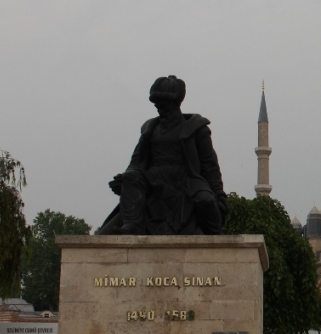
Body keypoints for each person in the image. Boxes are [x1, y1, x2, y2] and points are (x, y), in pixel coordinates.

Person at [97, 75, 229, 235]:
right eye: (157, 105)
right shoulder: (150, 129)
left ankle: (215, 235)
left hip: (187, 179)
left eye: (164, 105)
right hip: (155, 178)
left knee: (205, 201)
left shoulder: (196, 129)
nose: (160, 109)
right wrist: (125, 178)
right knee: (131, 177)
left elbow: (210, 166)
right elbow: (136, 161)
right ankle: (132, 225)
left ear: (176, 104)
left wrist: (219, 195)